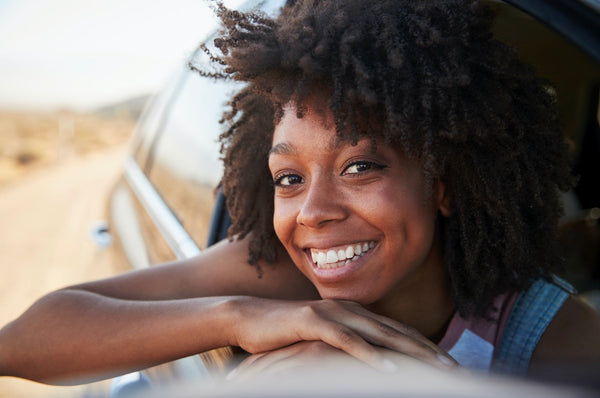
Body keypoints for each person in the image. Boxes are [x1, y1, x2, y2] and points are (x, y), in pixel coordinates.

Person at [1, 0, 599, 387]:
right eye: (289, 179)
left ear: (442, 185)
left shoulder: (546, 339)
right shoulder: (276, 277)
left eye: (361, 166)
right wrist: (241, 318)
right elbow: (22, 342)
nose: (313, 212)